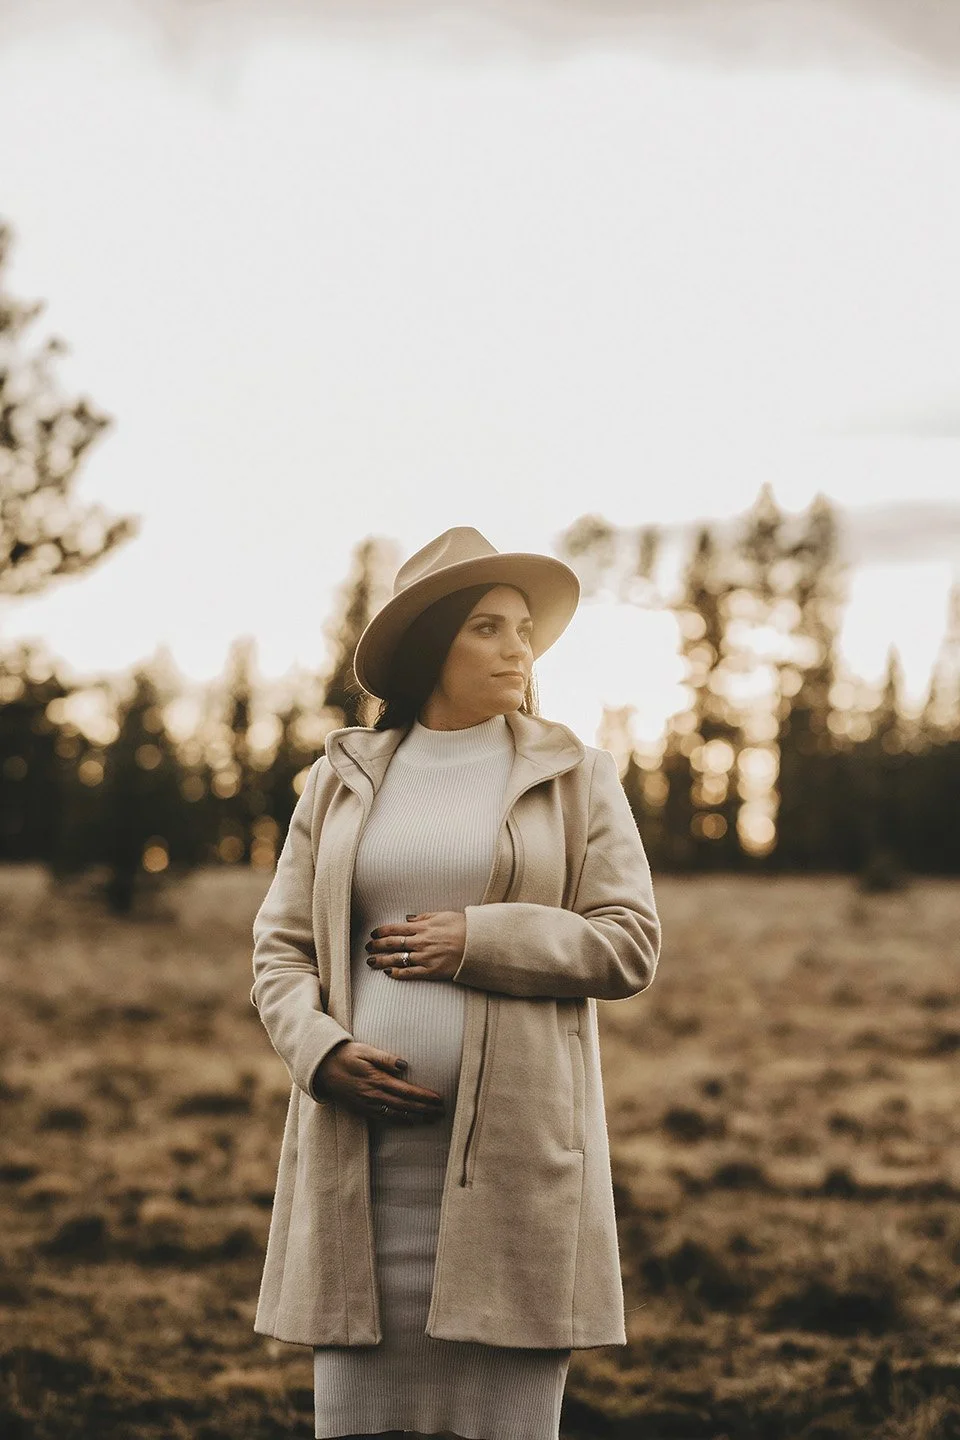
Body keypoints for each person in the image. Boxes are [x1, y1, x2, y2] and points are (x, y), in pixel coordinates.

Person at [250, 525, 662, 1440]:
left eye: (524, 628)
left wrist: (480, 938)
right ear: (433, 643)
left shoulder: (577, 778)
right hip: (363, 1168)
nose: (520, 648)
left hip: (517, 1166)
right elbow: (280, 952)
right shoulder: (337, 780)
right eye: (489, 626)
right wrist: (322, 1054)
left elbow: (628, 943)